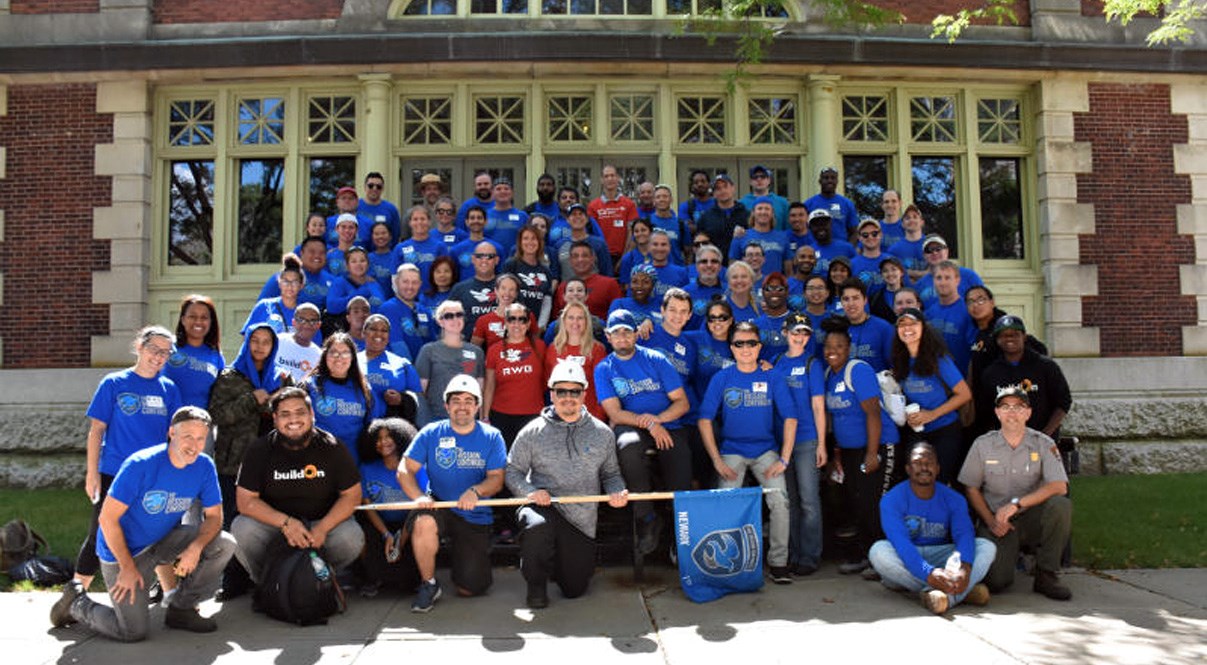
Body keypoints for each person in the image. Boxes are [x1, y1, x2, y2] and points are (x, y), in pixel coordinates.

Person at [51, 407, 237, 640]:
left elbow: (214, 517)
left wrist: (195, 547)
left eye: (201, 438)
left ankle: (181, 608)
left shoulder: (204, 465)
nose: (194, 444)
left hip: (162, 540)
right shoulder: (140, 464)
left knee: (225, 543)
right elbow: (107, 519)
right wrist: (127, 568)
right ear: (171, 432)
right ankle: (76, 604)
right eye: (188, 436)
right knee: (131, 631)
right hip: (124, 552)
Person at [506, 360, 628, 608]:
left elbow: (611, 473)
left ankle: (557, 564)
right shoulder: (532, 432)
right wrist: (530, 492)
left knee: (574, 589)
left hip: (580, 519)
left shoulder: (602, 433)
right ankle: (536, 583)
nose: (568, 398)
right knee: (536, 527)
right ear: (552, 393)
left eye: (575, 391)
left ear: (584, 394)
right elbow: (513, 472)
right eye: (561, 391)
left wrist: (617, 490)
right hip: (543, 507)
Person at [75, 326, 183, 590]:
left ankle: (171, 596)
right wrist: (92, 473)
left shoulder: (169, 389)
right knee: (99, 533)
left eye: (165, 353)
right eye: (154, 350)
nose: (159, 357)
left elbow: (176, 436)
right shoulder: (114, 383)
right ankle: (75, 594)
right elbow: (96, 430)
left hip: (155, 474)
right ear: (139, 348)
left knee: (161, 533)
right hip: (115, 472)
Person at [231, 387, 364, 589]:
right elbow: (245, 501)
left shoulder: (332, 446)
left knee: (351, 536)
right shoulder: (258, 449)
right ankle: (267, 583)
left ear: (311, 415)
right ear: (274, 418)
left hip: (320, 525)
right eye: (285, 414)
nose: (293, 420)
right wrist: (286, 523)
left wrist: (322, 528)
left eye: (300, 412)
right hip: (276, 527)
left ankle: (321, 579)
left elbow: (352, 496)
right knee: (242, 528)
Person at [697, 321, 797, 583]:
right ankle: (726, 563)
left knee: (780, 502)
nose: (745, 348)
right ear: (731, 348)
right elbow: (704, 419)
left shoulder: (772, 375)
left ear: (759, 347)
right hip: (732, 450)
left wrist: (784, 458)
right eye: (739, 343)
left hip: (766, 451)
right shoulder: (722, 377)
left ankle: (778, 563)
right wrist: (716, 460)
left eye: (751, 343)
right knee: (726, 503)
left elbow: (790, 417)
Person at [398, 375, 507, 611]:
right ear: (446, 406)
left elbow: (497, 479)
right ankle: (429, 584)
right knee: (423, 521)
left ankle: (464, 568)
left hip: (474, 513)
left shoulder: (492, 436)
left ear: (478, 406)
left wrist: (475, 491)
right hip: (439, 506)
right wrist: (419, 497)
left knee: (470, 589)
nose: (462, 406)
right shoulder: (431, 432)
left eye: (469, 400)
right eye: (456, 400)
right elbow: (405, 469)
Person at [958, 386, 1073, 601]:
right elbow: (971, 487)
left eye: (1019, 407)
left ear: (1028, 413)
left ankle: (1046, 574)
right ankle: (1011, 558)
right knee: (996, 582)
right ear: (998, 413)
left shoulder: (1043, 443)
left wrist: (1017, 504)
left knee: (1060, 505)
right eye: (1006, 407)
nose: (1012, 412)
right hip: (998, 523)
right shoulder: (982, 445)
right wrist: (991, 521)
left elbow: (1059, 486)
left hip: (1031, 517)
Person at [594, 309, 691, 555]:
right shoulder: (604, 368)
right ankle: (646, 518)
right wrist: (649, 424)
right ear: (608, 336)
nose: (623, 337)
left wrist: (658, 420)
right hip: (633, 424)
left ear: (637, 334)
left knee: (679, 466)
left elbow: (681, 402)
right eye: (617, 333)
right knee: (627, 446)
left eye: (628, 331)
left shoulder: (656, 359)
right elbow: (615, 414)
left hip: (667, 424)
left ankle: (678, 535)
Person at [868, 442, 995, 614]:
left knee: (986, 546)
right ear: (908, 469)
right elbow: (902, 545)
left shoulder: (954, 498)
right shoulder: (892, 499)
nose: (924, 467)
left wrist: (964, 569)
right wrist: (929, 573)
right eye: (918, 463)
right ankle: (958, 592)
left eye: (929, 463)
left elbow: (964, 534)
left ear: (937, 468)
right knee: (878, 551)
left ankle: (945, 596)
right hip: (908, 558)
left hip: (941, 557)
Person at [207, 322, 286, 599]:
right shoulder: (230, 376)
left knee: (264, 523)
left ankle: (268, 577)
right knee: (231, 521)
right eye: (256, 340)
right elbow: (216, 414)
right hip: (234, 463)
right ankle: (233, 581)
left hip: (271, 466)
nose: (260, 346)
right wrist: (251, 400)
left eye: (266, 341)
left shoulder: (280, 377)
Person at [822, 317, 899, 576]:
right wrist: (836, 455)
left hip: (877, 445)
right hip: (850, 450)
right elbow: (834, 420)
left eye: (839, 346)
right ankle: (866, 555)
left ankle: (884, 562)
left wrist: (872, 453)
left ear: (849, 348)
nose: (833, 351)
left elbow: (873, 414)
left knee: (874, 503)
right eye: (828, 346)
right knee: (857, 503)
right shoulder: (828, 375)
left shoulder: (858, 370)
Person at [891, 308, 972, 485]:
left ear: (923, 327)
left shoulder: (938, 359)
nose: (907, 328)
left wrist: (932, 414)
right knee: (916, 482)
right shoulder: (899, 361)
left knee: (939, 482)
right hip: (917, 432)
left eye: (913, 323)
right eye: (902, 324)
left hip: (945, 430)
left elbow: (964, 394)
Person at [773, 313, 827, 575]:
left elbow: (818, 406)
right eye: (795, 332)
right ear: (785, 332)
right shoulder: (777, 362)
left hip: (806, 439)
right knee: (789, 501)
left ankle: (810, 555)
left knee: (808, 500)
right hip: (782, 441)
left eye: (804, 333)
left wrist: (822, 444)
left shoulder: (812, 363)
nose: (799, 337)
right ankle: (792, 553)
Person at [974, 315, 1072, 442]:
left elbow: (1063, 402)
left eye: (1015, 334)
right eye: (1004, 335)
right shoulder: (991, 373)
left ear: (1024, 337)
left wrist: (1046, 435)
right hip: (1006, 444)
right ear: (997, 339)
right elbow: (986, 412)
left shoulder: (1046, 366)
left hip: (1041, 441)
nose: (1010, 338)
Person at [356, 418, 424, 597]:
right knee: (363, 533)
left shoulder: (415, 466)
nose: (382, 442)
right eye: (378, 438)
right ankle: (372, 579)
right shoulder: (366, 468)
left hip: (409, 525)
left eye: (388, 437)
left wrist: (401, 539)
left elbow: (419, 505)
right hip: (380, 525)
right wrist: (386, 535)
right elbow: (367, 506)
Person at [303, 333, 376, 464]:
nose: (339, 357)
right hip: (317, 458)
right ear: (325, 355)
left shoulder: (364, 389)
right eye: (333, 352)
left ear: (353, 357)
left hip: (353, 460)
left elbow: (371, 426)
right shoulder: (309, 385)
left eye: (345, 353)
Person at [482, 302, 547, 447]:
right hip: (501, 416)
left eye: (522, 319)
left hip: (533, 415)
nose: (517, 323)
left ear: (529, 324)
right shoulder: (494, 350)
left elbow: (546, 381)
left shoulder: (541, 347)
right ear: (505, 322)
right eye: (512, 319)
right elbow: (490, 386)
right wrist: (485, 417)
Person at [414, 299, 485, 423]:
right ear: (440, 321)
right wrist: (424, 421)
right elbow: (420, 391)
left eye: (459, 315)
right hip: (436, 418)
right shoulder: (428, 350)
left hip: (468, 419)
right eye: (449, 316)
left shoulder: (476, 352)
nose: (455, 319)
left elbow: (480, 389)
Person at [544, 300, 609, 421]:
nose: (575, 322)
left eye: (580, 318)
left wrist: (598, 419)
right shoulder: (553, 349)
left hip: (589, 416)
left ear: (586, 322)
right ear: (564, 321)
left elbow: (602, 389)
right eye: (571, 317)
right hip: (559, 417)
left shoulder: (597, 349)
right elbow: (549, 386)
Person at [358, 314, 422, 422]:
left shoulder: (402, 364)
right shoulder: (350, 361)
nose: (379, 334)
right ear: (363, 333)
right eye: (373, 329)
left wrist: (401, 399)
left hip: (390, 428)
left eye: (384, 331)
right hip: (356, 425)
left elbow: (419, 399)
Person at [166, 294, 225, 411]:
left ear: (210, 322)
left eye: (204, 318)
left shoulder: (216, 355)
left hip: (200, 425)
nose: (198, 321)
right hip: (167, 423)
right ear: (183, 320)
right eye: (192, 316)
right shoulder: (168, 347)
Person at [924, 260, 977, 378]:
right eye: (938, 278)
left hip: (962, 378)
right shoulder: (929, 313)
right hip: (936, 379)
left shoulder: (969, 311)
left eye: (947, 278)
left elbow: (974, 353)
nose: (942, 283)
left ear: (957, 280)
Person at [258, 236, 336, 311]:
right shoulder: (283, 278)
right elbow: (262, 308)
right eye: (312, 252)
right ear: (301, 253)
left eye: (322, 253)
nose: (317, 256)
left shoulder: (332, 281)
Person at [553, 239, 623, 321]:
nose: (580, 260)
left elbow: (619, 316)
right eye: (576, 256)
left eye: (585, 256)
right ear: (570, 261)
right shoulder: (562, 287)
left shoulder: (610, 284)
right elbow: (556, 318)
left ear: (592, 259)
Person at [502, 223, 556, 329]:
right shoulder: (511, 265)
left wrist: (540, 327)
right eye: (525, 238)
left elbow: (546, 303)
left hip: (535, 326)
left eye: (534, 238)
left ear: (540, 242)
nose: (530, 242)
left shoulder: (546, 271)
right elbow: (503, 297)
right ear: (520, 242)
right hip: (512, 324)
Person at [379, 263, 435, 362]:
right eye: (405, 282)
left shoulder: (425, 311)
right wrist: (411, 371)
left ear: (420, 284)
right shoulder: (389, 308)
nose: (410, 287)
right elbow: (397, 345)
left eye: (414, 282)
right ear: (396, 282)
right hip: (401, 370)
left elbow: (432, 344)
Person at [838, 278, 896, 372]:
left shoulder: (884, 328)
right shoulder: (837, 328)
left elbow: (894, 365)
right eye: (846, 299)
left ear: (865, 300)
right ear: (841, 302)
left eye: (856, 298)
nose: (851, 304)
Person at [588, 164, 639, 267]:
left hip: (624, 256)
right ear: (602, 180)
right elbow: (590, 234)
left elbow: (632, 233)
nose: (610, 179)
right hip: (600, 257)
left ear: (618, 178)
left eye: (612, 175)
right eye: (606, 176)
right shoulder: (593, 206)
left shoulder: (629, 204)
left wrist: (624, 258)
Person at [913, 234, 985, 307]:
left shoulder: (969, 276)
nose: (934, 253)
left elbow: (984, 303)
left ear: (947, 251)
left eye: (938, 248)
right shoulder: (919, 286)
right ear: (924, 255)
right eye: (929, 250)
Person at [448, 240, 500, 338]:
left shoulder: (507, 286)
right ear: (473, 259)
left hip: (501, 349)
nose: (484, 260)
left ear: (497, 260)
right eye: (479, 256)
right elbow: (448, 321)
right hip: (468, 349)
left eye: (489, 257)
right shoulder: (459, 289)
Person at [470, 273, 536, 349]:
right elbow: (474, 350)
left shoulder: (527, 316)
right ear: (496, 291)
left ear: (516, 293)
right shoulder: (483, 320)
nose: (507, 293)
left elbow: (535, 344)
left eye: (512, 289)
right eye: (503, 288)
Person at [551, 202, 613, 282]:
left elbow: (607, 273)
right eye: (573, 214)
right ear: (567, 220)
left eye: (581, 214)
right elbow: (556, 275)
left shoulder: (599, 244)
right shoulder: (559, 245)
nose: (577, 217)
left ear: (587, 219)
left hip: (594, 291)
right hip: (568, 292)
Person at [243, 256, 304, 335]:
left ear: (301, 285)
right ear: (279, 283)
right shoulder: (264, 306)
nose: (290, 286)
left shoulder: (306, 312)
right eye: (286, 282)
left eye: (294, 282)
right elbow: (248, 337)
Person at [695, 173, 748, 259]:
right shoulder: (706, 218)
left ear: (733, 188)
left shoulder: (746, 214)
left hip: (741, 265)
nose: (722, 191)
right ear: (714, 194)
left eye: (725, 186)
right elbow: (699, 243)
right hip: (714, 265)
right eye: (718, 189)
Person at [730, 197, 789, 274]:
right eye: (760, 208)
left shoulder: (783, 237)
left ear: (772, 213)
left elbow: (789, 271)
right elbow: (732, 267)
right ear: (753, 213)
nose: (763, 212)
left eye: (767, 209)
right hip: (747, 284)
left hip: (773, 284)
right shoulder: (741, 236)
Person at [393, 205, 448, 287]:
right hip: (409, 295)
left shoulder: (440, 247)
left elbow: (447, 274)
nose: (419, 222)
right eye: (415, 219)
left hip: (433, 295)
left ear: (429, 222)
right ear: (410, 223)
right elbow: (395, 277)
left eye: (423, 219)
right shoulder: (400, 248)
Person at [804, 166, 860, 240]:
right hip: (815, 249)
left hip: (841, 249)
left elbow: (854, 232)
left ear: (837, 181)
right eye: (826, 178)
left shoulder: (847, 204)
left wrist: (848, 249)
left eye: (833, 178)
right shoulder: (809, 204)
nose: (829, 180)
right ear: (820, 181)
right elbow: (803, 230)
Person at [450, 205, 505, 279]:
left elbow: (501, 276)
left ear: (485, 221)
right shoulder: (456, 250)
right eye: (472, 218)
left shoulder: (496, 248)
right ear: (466, 222)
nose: (476, 221)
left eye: (479, 218)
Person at [327, 247, 387, 315]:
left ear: (368, 264)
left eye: (362, 261)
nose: (358, 264)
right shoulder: (340, 282)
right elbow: (331, 307)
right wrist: (357, 295)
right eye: (354, 261)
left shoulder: (374, 284)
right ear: (347, 266)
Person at [274, 303, 323, 384]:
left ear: (318, 325)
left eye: (313, 321)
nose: (307, 324)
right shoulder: (277, 341)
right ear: (293, 322)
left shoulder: (319, 356)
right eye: (301, 320)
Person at [684, 243, 725, 329]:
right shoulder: (684, 293)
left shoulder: (730, 291)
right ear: (697, 266)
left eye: (714, 261)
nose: (709, 265)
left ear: (720, 266)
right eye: (704, 261)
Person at [886, 204, 928, 281]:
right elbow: (891, 273)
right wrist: (923, 273)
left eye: (915, 217)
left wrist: (907, 272)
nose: (911, 220)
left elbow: (937, 270)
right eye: (907, 218)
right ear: (902, 224)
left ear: (922, 222)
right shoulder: (894, 249)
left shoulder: (931, 244)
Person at [806, 208, 855, 276]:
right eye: (816, 225)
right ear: (810, 228)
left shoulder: (847, 248)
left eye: (824, 224)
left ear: (830, 224)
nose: (820, 227)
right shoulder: (808, 251)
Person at [740, 165, 791, 229]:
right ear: (751, 182)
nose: (759, 179)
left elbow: (789, 229)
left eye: (763, 177)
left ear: (769, 180)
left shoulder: (783, 203)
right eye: (755, 177)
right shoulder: (741, 204)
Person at [359, 172, 403, 244]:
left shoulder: (391, 209)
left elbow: (395, 235)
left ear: (382, 189)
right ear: (364, 187)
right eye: (370, 186)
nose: (374, 189)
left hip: (382, 253)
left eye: (378, 186)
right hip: (358, 252)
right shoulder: (355, 206)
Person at [850, 218, 887, 295]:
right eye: (865, 235)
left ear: (881, 234)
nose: (870, 237)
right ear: (859, 238)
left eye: (874, 234)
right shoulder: (852, 264)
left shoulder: (892, 261)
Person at [869, 256, 908, 323]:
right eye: (885, 271)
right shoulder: (874, 298)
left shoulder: (911, 295)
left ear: (901, 273)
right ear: (881, 275)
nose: (890, 274)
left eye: (894, 269)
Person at [367, 221, 399, 294]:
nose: (380, 236)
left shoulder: (396, 257)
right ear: (372, 237)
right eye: (376, 234)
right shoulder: (366, 258)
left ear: (390, 236)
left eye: (383, 233)